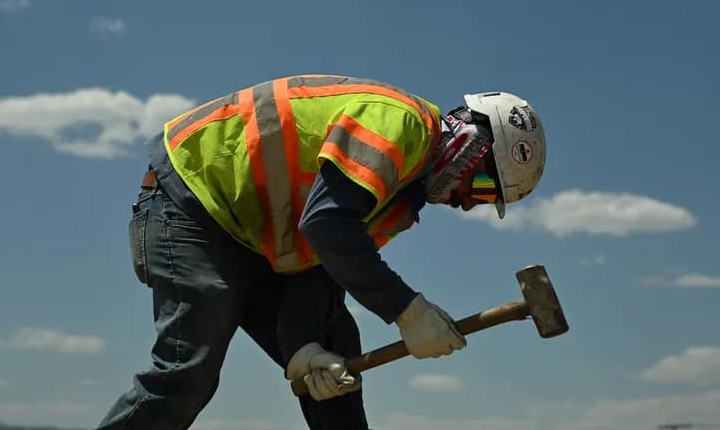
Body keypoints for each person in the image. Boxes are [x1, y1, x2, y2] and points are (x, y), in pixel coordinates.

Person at [95, 74, 547, 430]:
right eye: (485, 187)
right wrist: (407, 310)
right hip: (191, 202)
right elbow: (327, 225)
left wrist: (302, 347)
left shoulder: (401, 202)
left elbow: (320, 263)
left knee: (337, 361)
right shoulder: (400, 124)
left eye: (487, 201)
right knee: (187, 373)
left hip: (253, 238)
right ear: (471, 144)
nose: (469, 203)